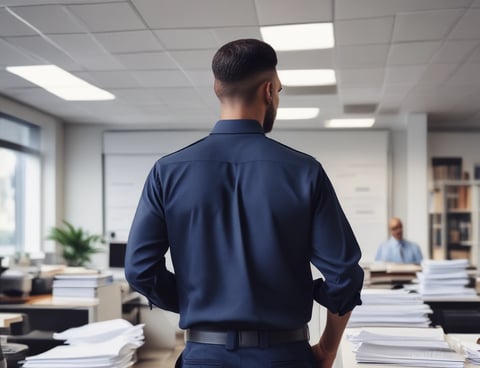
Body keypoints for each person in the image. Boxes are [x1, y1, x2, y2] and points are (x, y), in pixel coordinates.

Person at [125, 38, 364, 368]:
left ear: (216, 88)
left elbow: (139, 269)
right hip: (285, 357)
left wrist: (198, 302)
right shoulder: (304, 171)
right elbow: (345, 277)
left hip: (203, 357)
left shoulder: (167, 172)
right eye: (278, 91)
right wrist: (327, 349)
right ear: (268, 91)